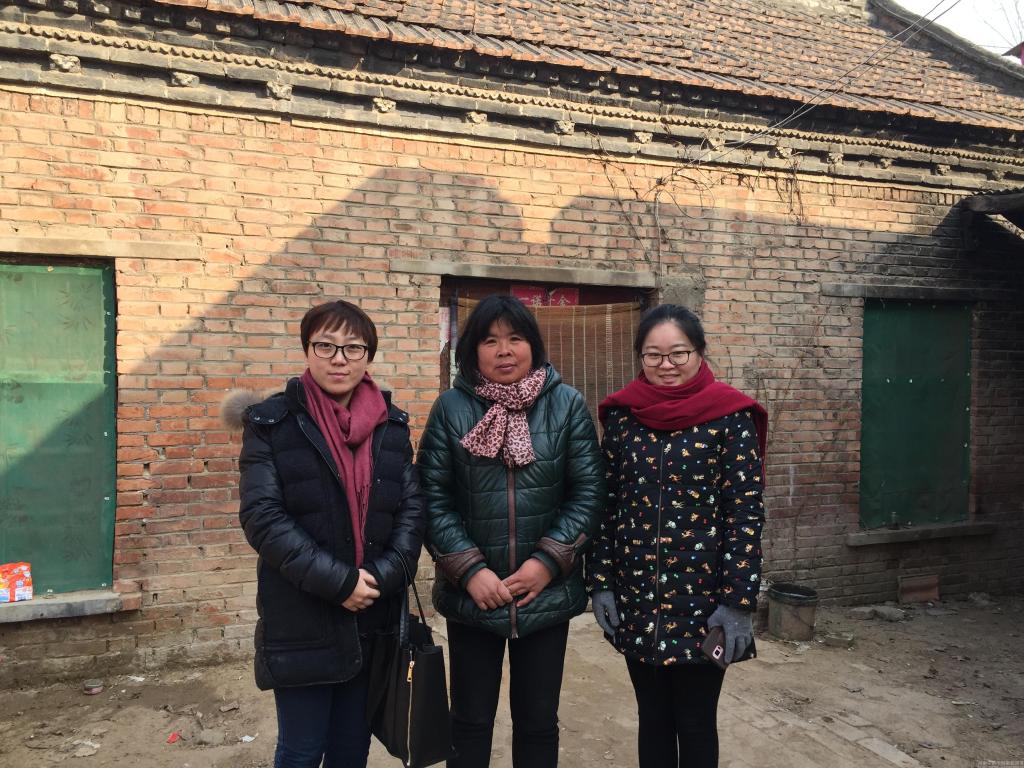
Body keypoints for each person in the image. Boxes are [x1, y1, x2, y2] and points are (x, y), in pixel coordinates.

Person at [230, 299, 424, 768]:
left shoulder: (392, 425)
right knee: (301, 750)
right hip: (302, 615)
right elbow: (263, 516)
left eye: (353, 348)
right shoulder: (271, 423)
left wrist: (379, 578)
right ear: (307, 350)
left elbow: (411, 510)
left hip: (373, 614)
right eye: (326, 346)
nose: (340, 359)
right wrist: (340, 583)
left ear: (368, 356)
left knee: (350, 748)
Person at [417, 294, 606, 768]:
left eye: (515, 338)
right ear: (472, 351)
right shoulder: (451, 409)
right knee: (469, 721)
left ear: (533, 345)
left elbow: (588, 493)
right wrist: (470, 571)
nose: (504, 351)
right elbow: (431, 499)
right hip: (474, 599)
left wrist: (548, 563)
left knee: (538, 722)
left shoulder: (566, 405)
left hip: (544, 596)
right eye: (490, 341)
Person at [588, 304, 767, 768]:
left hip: (705, 605)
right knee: (652, 719)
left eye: (678, 353)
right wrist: (601, 583)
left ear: (699, 352)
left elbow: (745, 514)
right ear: (640, 357)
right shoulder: (624, 418)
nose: (666, 365)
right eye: (653, 355)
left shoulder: (731, 417)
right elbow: (607, 505)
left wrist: (737, 602)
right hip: (638, 598)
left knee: (696, 721)